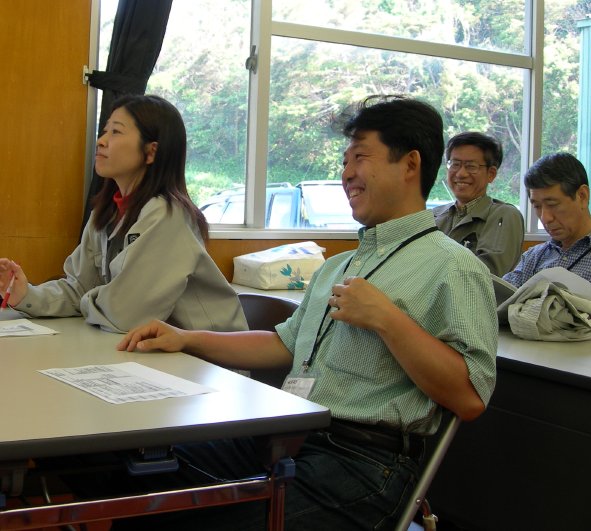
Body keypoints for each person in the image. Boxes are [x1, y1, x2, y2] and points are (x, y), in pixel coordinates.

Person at [99, 95, 498, 531]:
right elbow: (283, 344)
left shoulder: (453, 266)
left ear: (410, 165)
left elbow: (469, 397)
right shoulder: (339, 266)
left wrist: (388, 319)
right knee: (144, 478)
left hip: (362, 463)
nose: (346, 173)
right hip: (287, 436)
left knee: (197, 520)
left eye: (361, 158)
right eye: (345, 160)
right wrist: (186, 339)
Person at [0, 94, 246, 333]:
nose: (101, 141)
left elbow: (127, 315)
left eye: (116, 132)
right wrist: (27, 295)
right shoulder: (105, 213)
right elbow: (80, 288)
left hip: (207, 363)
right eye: (105, 131)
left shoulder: (169, 216)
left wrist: (87, 300)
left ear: (151, 152)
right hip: (150, 352)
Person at [503, 152, 591, 293]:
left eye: (552, 204)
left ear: (582, 196)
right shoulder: (533, 257)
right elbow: (500, 297)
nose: (545, 218)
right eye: (537, 206)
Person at [433, 132, 524, 276]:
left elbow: (487, 275)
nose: (461, 173)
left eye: (471, 166)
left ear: (491, 174)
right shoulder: (433, 215)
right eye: (455, 164)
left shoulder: (504, 216)